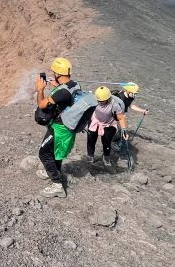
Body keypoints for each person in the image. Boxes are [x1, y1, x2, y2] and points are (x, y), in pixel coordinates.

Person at [35, 57, 80, 198]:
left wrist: (40, 90)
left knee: (44, 153)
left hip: (60, 128)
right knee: (56, 152)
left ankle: (57, 185)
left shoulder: (61, 92)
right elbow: (65, 96)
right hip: (68, 127)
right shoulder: (75, 85)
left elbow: (42, 104)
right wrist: (57, 86)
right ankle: (54, 171)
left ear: (57, 74)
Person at [86, 86, 128, 167]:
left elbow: (120, 117)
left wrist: (124, 130)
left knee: (106, 141)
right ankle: (90, 156)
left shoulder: (114, 104)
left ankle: (106, 156)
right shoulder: (94, 100)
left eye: (103, 101)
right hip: (95, 120)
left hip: (109, 123)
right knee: (91, 138)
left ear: (108, 98)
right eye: (99, 100)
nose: (100, 102)